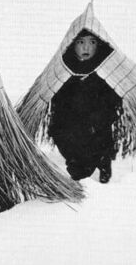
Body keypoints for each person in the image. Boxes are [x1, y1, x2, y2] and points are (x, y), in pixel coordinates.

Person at [49, 30, 122, 183]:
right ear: (72, 44)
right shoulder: (64, 68)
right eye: (81, 42)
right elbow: (57, 102)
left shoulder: (106, 68)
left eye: (92, 42)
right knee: (62, 130)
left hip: (98, 122)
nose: (86, 48)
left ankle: (103, 160)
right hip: (72, 124)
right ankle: (77, 163)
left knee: (100, 125)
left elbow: (113, 100)